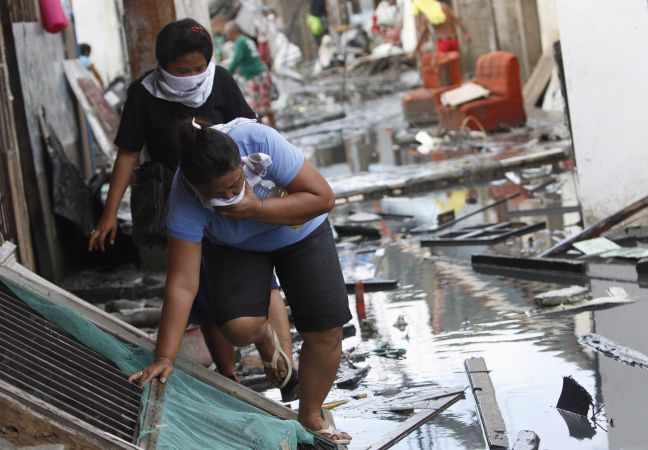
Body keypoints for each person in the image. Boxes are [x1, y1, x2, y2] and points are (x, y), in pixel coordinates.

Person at [88, 18, 297, 399]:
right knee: (202, 292)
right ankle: (229, 379)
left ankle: (288, 377)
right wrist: (108, 214)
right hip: (181, 201)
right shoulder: (143, 94)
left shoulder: (220, 82)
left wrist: (259, 200)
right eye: (182, 71)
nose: (192, 77)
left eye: (199, 69)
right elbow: (128, 154)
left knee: (262, 279)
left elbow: (253, 142)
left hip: (234, 195)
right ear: (162, 65)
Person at [128, 119, 353, 445]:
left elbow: (323, 198)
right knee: (237, 327)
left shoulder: (258, 141)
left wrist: (257, 207)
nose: (229, 196)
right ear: (194, 187)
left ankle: (311, 414)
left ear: (239, 165)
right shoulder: (183, 198)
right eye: (215, 195)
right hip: (237, 246)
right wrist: (165, 356)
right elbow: (182, 283)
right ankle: (264, 333)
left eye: (234, 185)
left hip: (300, 229)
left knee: (325, 330)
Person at [224, 21, 276, 128]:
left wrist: (225, 74)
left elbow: (236, 60)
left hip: (256, 76)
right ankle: (273, 130)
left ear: (232, 32)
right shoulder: (246, 39)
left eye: (227, 34)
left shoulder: (240, 42)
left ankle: (263, 132)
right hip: (262, 74)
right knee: (266, 104)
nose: (227, 37)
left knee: (256, 108)